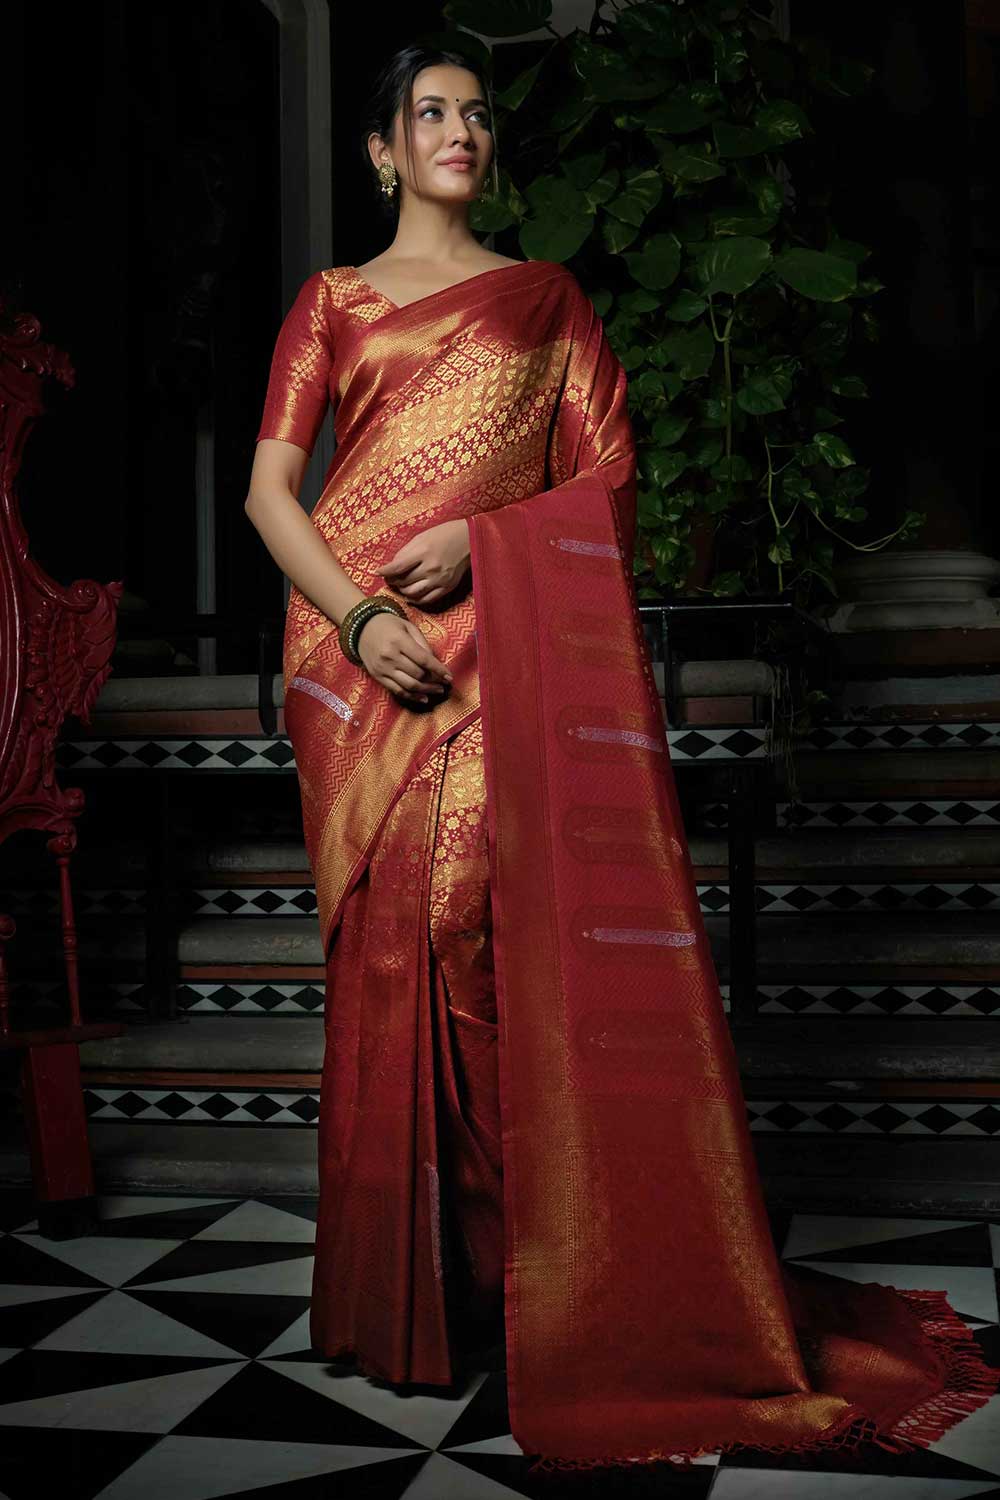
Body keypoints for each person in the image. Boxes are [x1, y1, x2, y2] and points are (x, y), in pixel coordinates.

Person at [244, 41, 999, 1475]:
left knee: (470, 937)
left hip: (497, 650)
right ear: (382, 150)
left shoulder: (549, 302)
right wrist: (360, 618)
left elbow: (610, 479)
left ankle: (531, 1279)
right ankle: (406, 1296)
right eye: (429, 112)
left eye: (476, 112)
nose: (459, 130)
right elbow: (271, 491)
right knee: (391, 947)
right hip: (355, 657)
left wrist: (482, 542)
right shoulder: (331, 301)